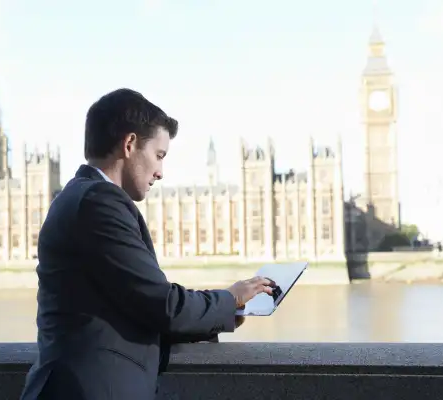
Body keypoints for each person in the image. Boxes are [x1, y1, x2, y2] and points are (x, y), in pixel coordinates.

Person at [19, 88, 276, 400]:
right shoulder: (99, 202)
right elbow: (160, 304)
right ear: (129, 145)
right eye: (159, 155)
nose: (160, 172)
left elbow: (131, 307)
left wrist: (216, 317)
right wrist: (229, 298)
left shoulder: (80, 195)